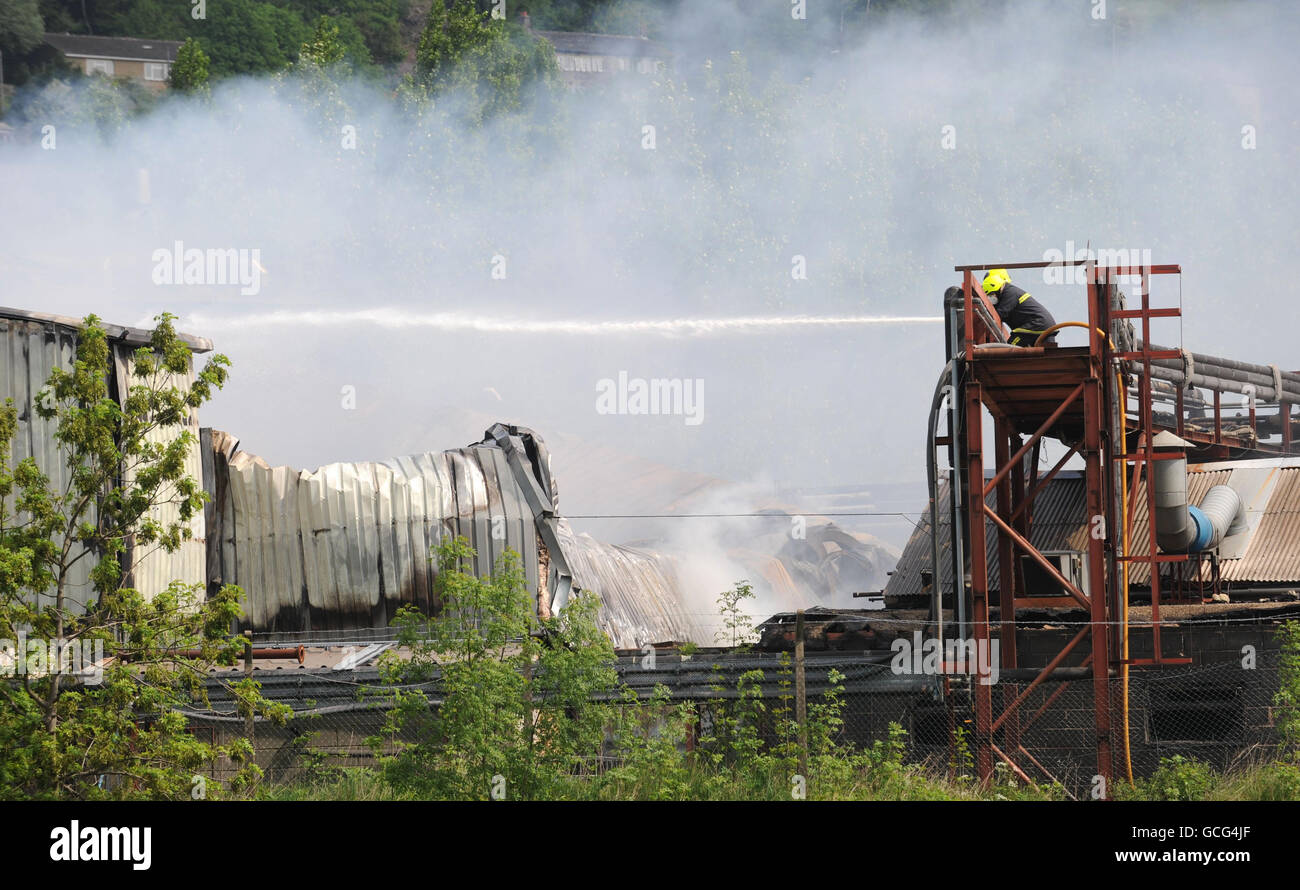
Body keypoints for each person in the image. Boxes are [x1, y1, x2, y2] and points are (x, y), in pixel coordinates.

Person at [982, 268, 1058, 347]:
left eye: (993, 294)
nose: (992, 297)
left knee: (1009, 348)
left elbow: (1000, 314)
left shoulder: (1009, 292)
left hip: (1038, 323)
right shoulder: (1008, 293)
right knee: (1043, 354)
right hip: (1044, 325)